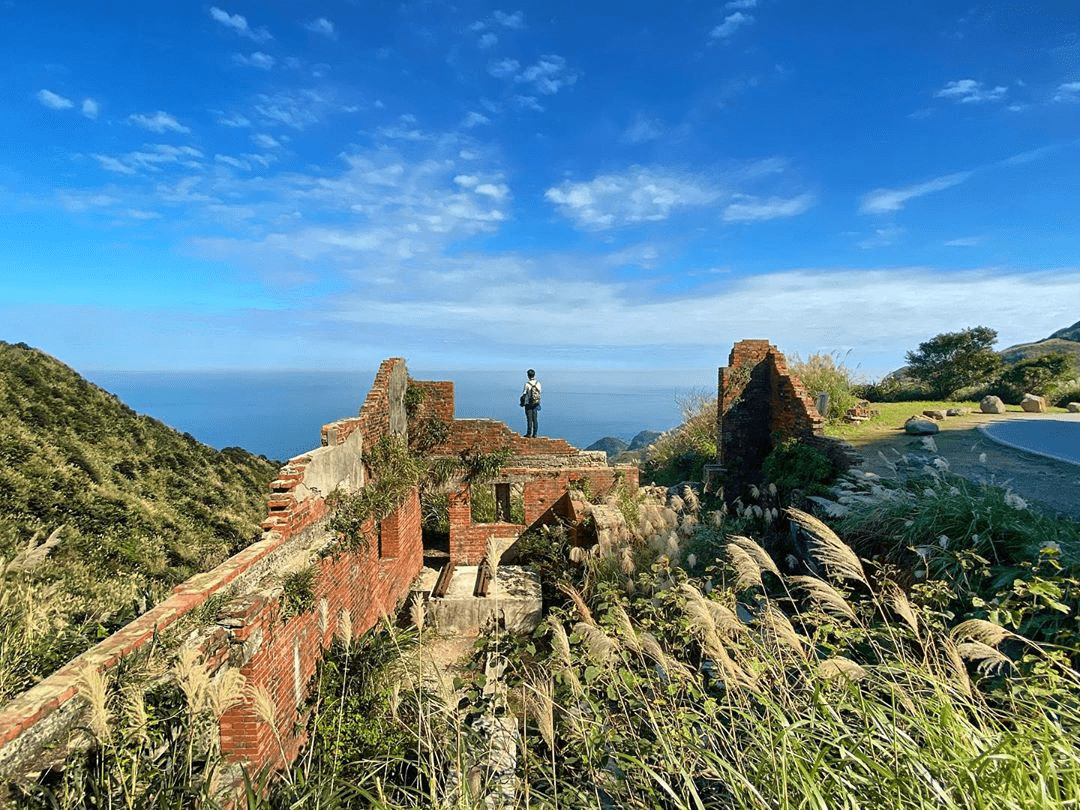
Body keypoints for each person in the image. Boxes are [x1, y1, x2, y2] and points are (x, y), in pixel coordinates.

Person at [519, 369, 541, 437]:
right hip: (536, 403)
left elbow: (524, 393)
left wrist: (522, 402)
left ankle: (529, 433)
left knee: (529, 419)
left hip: (528, 403)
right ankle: (535, 434)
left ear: (528, 375)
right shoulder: (538, 383)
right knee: (535, 419)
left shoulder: (527, 384)